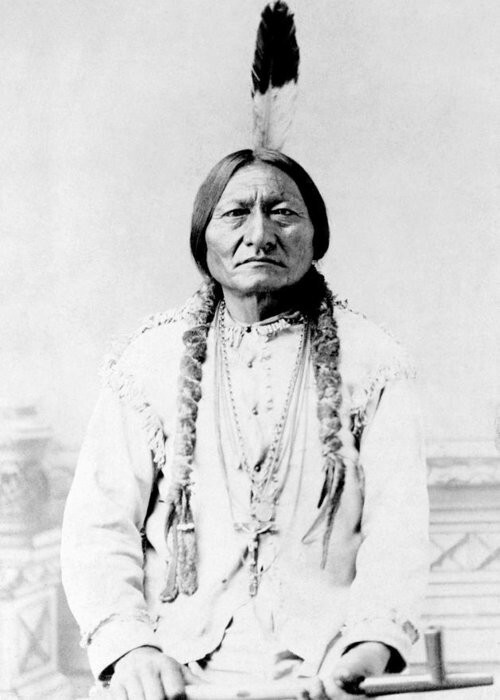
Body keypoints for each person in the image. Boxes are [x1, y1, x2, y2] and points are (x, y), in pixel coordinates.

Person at [61, 148, 429, 700]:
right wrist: (132, 649)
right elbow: (98, 524)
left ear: (316, 237)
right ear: (202, 241)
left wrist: (369, 646)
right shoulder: (149, 361)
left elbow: (399, 527)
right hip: (175, 670)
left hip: (326, 670)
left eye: (283, 213)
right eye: (235, 213)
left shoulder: (374, 362)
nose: (259, 235)